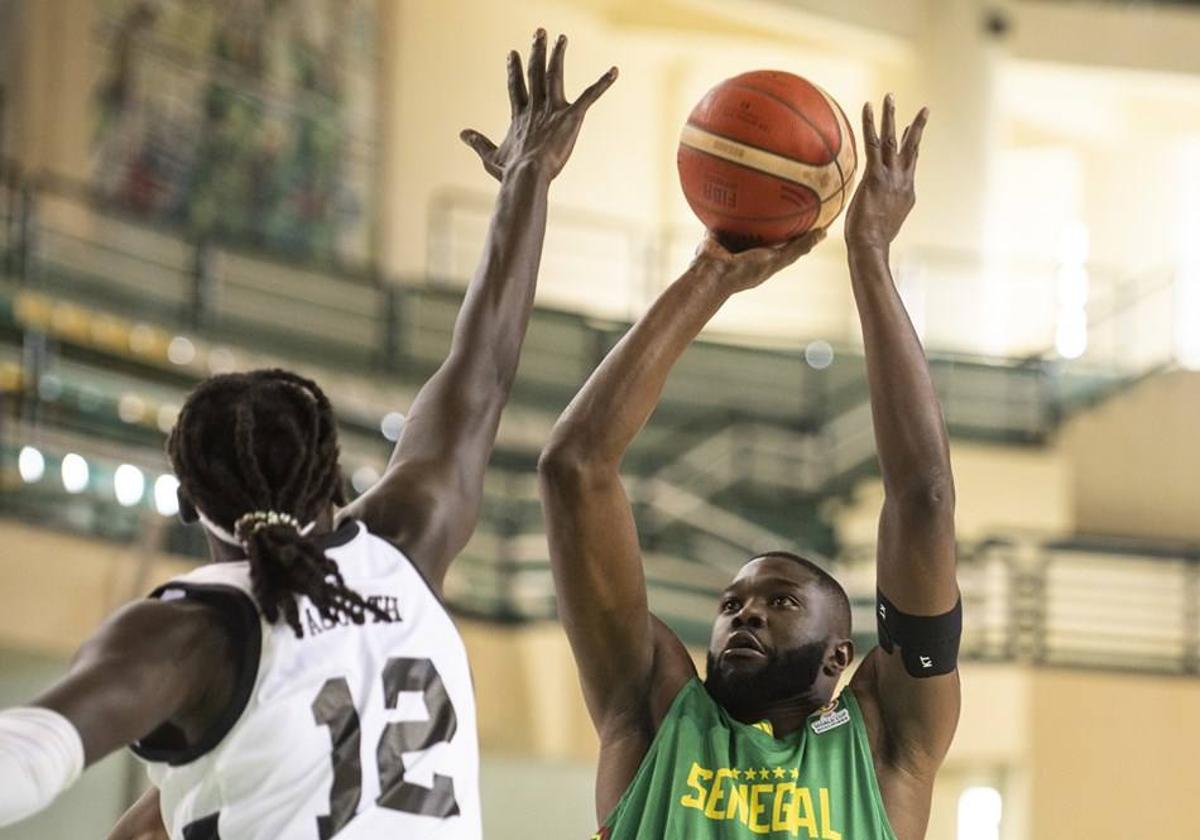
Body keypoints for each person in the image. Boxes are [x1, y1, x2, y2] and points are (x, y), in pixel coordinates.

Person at [0, 29, 617, 840]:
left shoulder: (192, 632)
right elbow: (485, 367)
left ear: (190, 503)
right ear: (336, 478)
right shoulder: (406, 541)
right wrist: (528, 177)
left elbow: (31, 754)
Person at [538, 95, 960, 839]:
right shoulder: (652, 708)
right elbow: (574, 467)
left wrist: (869, 255)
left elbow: (923, 497)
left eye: (780, 602)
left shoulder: (886, 745)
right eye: (733, 603)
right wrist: (711, 274)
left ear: (841, 656)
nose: (745, 612)